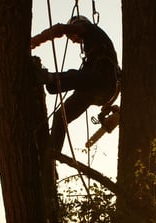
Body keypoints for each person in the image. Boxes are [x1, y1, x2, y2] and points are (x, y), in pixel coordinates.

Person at [31, 15, 120, 153]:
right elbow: (118, 83)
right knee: (61, 116)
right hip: (98, 89)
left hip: (100, 79)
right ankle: (52, 152)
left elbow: (60, 29)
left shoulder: (90, 29)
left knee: (73, 75)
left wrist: (36, 40)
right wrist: (108, 106)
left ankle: (48, 77)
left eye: (71, 37)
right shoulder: (99, 49)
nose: (73, 41)